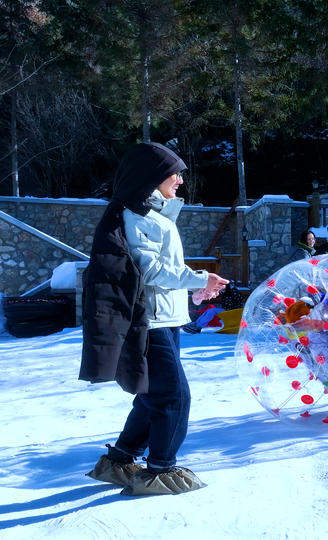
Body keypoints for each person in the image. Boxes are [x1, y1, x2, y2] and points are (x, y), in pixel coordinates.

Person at [81, 142, 229, 496]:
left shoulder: (153, 214)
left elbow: (162, 272)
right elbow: (148, 269)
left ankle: (120, 461)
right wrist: (198, 277)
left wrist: (193, 293)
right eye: (173, 173)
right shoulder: (136, 216)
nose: (179, 180)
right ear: (151, 176)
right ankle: (160, 470)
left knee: (152, 395)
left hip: (165, 319)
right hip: (150, 323)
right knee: (174, 397)